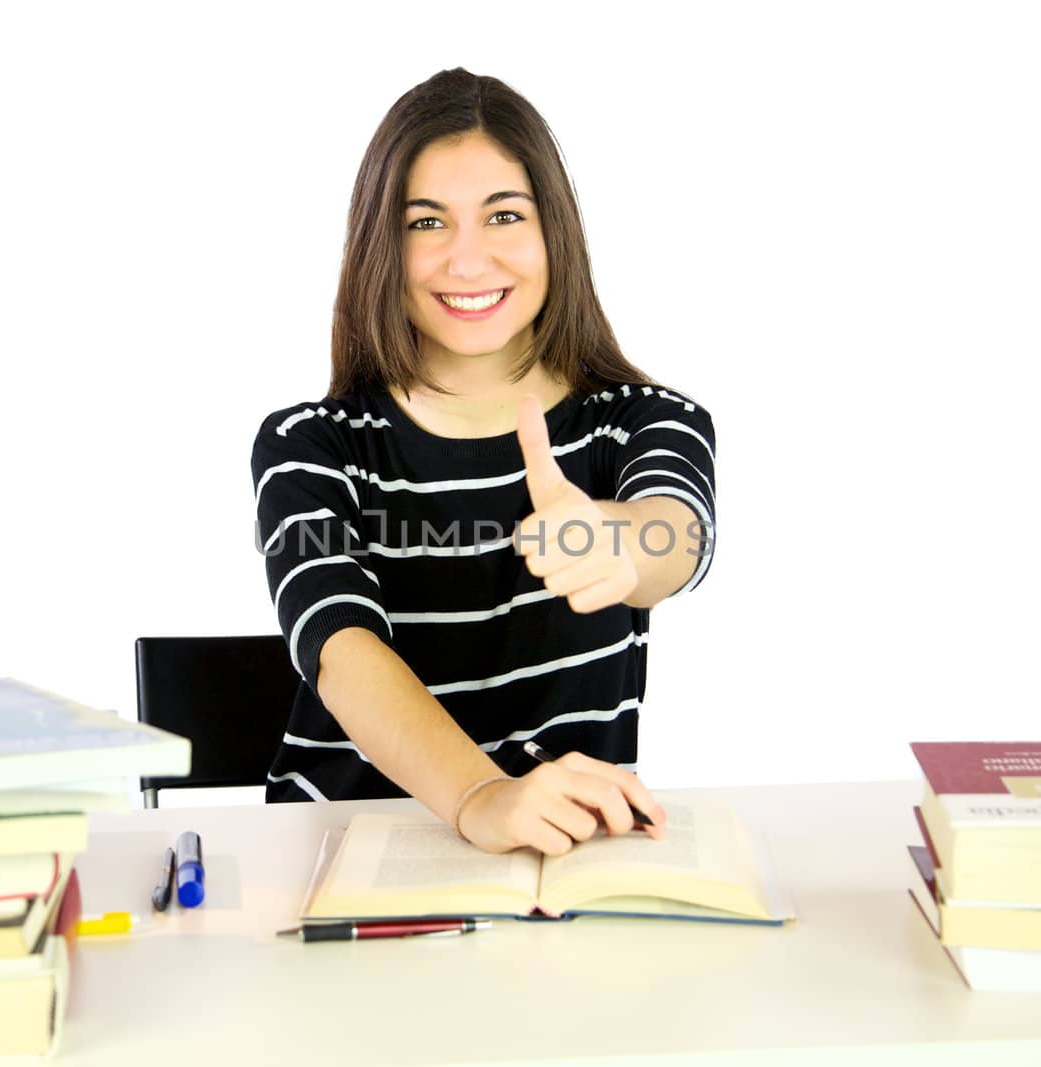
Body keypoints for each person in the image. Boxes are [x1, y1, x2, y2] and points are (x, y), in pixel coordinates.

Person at [250, 68, 716, 858]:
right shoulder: (310, 444)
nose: (467, 261)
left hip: (563, 856)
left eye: (503, 215)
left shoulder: (645, 422)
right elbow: (341, 647)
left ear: (553, 233)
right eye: (426, 223)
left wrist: (619, 544)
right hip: (349, 852)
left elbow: (675, 535)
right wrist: (479, 796)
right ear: (380, 247)